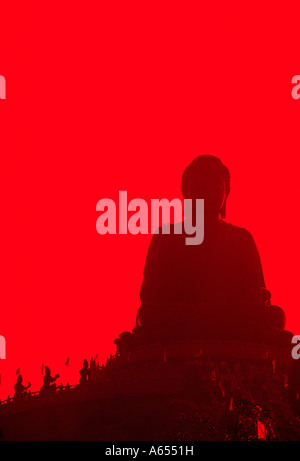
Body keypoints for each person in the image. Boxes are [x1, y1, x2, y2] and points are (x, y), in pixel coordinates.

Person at [135, 155, 289, 345]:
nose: (207, 195)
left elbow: (257, 291)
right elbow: (150, 299)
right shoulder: (166, 237)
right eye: (200, 189)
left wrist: (257, 297)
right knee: (148, 315)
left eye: (216, 189)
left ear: (227, 193)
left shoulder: (242, 238)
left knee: (275, 316)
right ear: (185, 192)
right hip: (182, 316)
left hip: (231, 316)